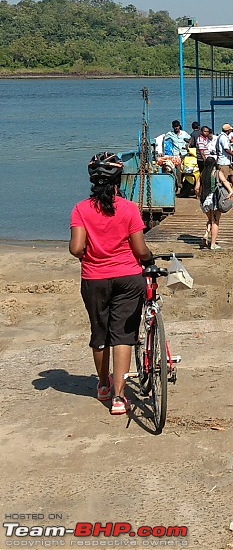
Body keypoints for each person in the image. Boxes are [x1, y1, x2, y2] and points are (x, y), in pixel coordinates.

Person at [69, 152, 154, 416]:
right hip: (128, 278)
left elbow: (76, 248)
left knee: (100, 334)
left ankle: (103, 385)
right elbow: (140, 250)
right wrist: (149, 259)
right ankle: (119, 398)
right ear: (119, 181)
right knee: (123, 336)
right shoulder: (129, 209)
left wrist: (91, 255)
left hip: (94, 278)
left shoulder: (81, 209)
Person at [195, 156, 233, 250]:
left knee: (210, 219)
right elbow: (224, 181)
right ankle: (213, 244)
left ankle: (206, 233)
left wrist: (199, 195)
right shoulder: (217, 173)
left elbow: (196, 188)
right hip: (214, 199)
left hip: (204, 200)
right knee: (215, 221)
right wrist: (231, 191)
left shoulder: (202, 174)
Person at [216, 123, 233, 197]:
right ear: (227, 130)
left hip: (228, 161)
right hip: (223, 161)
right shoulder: (223, 138)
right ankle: (223, 193)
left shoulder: (225, 137)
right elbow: (226, 149)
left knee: (232, 175)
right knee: (224, 178)